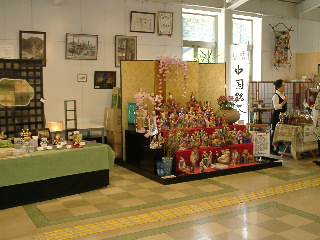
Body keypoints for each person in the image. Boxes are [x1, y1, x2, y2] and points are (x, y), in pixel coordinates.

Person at [271, 79, 288, 154]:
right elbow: (276, 107)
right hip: (277, 116)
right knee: (275, 132)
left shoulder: (282, 94)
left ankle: (279, 149)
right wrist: (284, 102)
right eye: (283, 85)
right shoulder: (275, 96)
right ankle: (272, 149)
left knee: (281, 133)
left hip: (283, 116)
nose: (284, 87)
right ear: (279, 87)